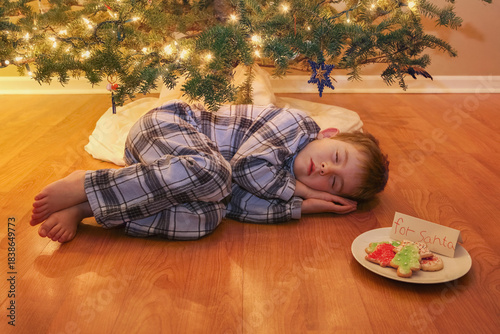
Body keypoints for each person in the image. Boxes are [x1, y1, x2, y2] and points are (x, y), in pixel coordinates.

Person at [30, 100, 389, 243]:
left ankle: (87, 207)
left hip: (160, 173)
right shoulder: (295, 125)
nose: (325, 169)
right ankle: (86, 183)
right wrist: (302, 191)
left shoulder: (282, 183)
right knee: (215, 172)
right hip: (164, 128)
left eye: (333, 183)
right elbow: (247, 169)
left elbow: (239, 206)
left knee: (209, 216)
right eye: (336, 157)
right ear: (328, 135)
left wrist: (301, 209)